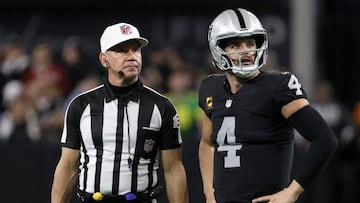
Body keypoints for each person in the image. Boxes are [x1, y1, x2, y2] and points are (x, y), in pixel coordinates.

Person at [198, 8, 338, 203]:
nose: (246, 50)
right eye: (236, 45)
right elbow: (207, 143)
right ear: (218, 49)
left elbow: (325, 139)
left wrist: (292, 191)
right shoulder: (210, 87)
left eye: (250, 43)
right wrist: (208, 192)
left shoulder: (278, 86)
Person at [51, 22, 188, 203]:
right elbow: (68, 166)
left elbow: (174, 169)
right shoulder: (81, 105)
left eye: (135, 50)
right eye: (122, 50)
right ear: (104, 59)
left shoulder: (162, 107)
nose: (131, 56)